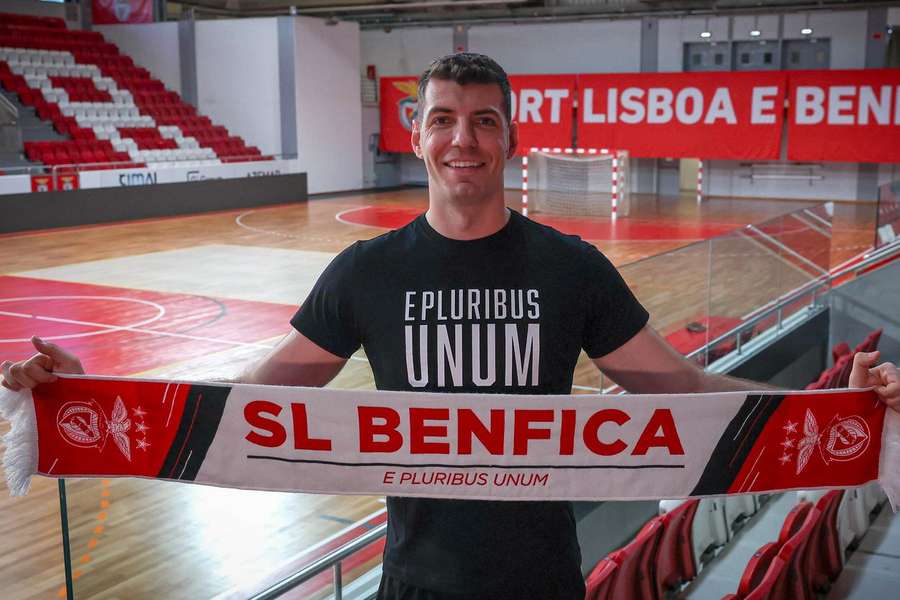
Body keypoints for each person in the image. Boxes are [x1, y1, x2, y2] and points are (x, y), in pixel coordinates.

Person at [3, 53, 899, 600]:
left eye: (482, 121)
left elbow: (684, 390)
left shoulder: (571, 267)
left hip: (543, 579)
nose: (461, 138)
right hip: (415, 579)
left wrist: (835, 413)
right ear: (417, 133)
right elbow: (261, 398)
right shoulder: (367, 270)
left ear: (510, 136)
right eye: (443, 120)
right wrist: (96, 394)